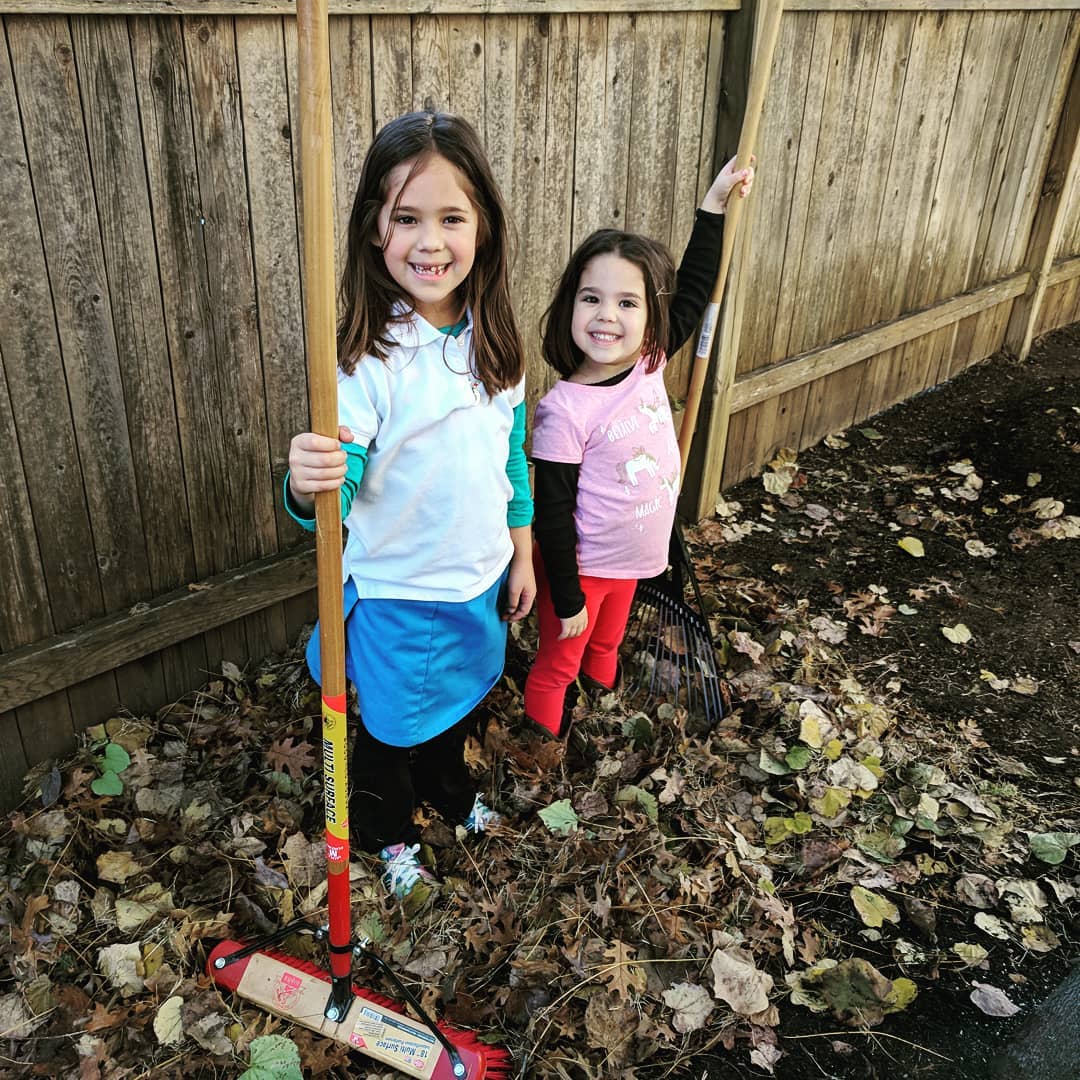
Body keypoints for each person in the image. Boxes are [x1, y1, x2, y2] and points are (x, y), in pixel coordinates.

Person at [284, 111, 535, 901]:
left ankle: (451, 796)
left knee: (455, 709)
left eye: (451, 218)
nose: (430, 242)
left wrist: (523, 550)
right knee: (389, 735)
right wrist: (310, 483)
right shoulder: (367, 361)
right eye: (407, 219)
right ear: (373, 232)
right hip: (402, 593)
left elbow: (512, 459)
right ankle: (389, 832)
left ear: (484, 228)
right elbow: (339, 485)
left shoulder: (496, 340)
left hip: (478, 580)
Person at [523, 158, 754, 737]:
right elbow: (551, 514)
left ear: (651, 316)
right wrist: (569, 596)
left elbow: (698, 286)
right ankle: (540, 749)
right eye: (591, 299)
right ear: (569, 306)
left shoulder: (649, 362)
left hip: (632, 565)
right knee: (559, 662)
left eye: (627, 303)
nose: (607, 316)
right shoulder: (564, 411)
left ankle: (601, 706)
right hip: (583, 570)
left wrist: (715, 205)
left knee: (610, 641)